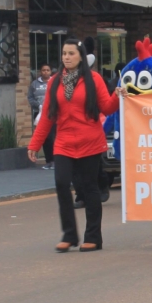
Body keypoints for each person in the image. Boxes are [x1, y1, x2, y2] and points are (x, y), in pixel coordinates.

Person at [27, 38, 121, 252]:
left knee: (89, 188)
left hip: (90, 142)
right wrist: (34, 144)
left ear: (81, 56)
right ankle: (69, 235)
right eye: (64, 54)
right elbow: (47, 117)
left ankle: (93, 237)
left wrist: (116, 96)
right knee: (62, 183)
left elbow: (106, 108)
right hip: (64, 143)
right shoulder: (55, 82)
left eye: (71, 53)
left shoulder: (94, 79)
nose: (67, 57)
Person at [28, 63, 56, 170]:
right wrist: (39, 106)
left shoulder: (54, 82)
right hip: (39, 113)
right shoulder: (34, 84)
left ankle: (55, 160)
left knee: (53, 137)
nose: (46, 72)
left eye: (48, 70)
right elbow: (30, 98)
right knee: (45, 137)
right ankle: (49, 160)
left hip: (53, 114)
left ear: (50, 71)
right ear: (41, 72)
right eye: (43, 70)